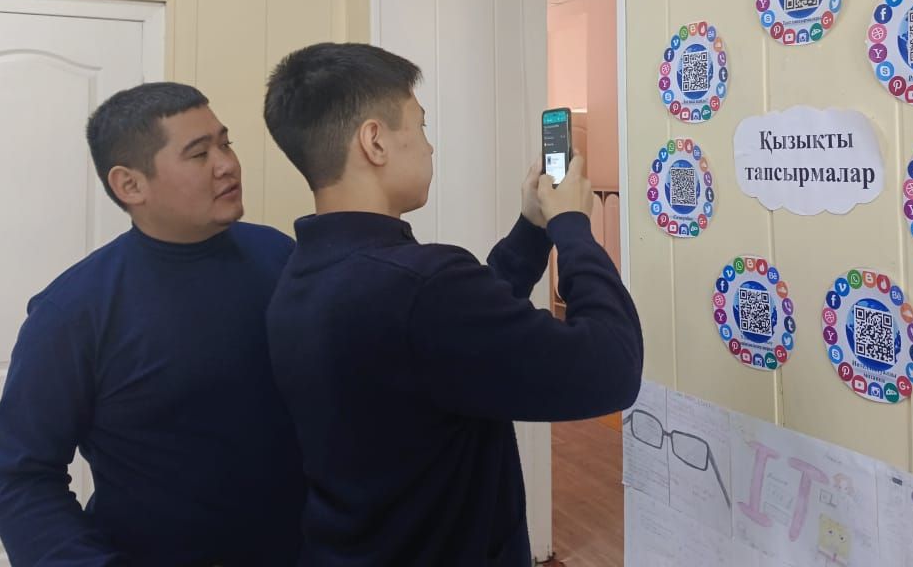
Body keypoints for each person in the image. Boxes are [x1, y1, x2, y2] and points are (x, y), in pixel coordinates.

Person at [263, 42, 643, 566]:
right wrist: (573, 226)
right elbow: (612, 366)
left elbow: (455, 338)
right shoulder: (420, 288)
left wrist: (533, 226)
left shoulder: (303, 275)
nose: (429, 147)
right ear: (375, 141)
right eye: (420, 126)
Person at [0, 82, 304, 566]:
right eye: (199, 153)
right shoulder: (74, 312)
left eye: (226, 143)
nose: (227, 164)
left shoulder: (280, 255)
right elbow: (18, 476)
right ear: (130, 185)